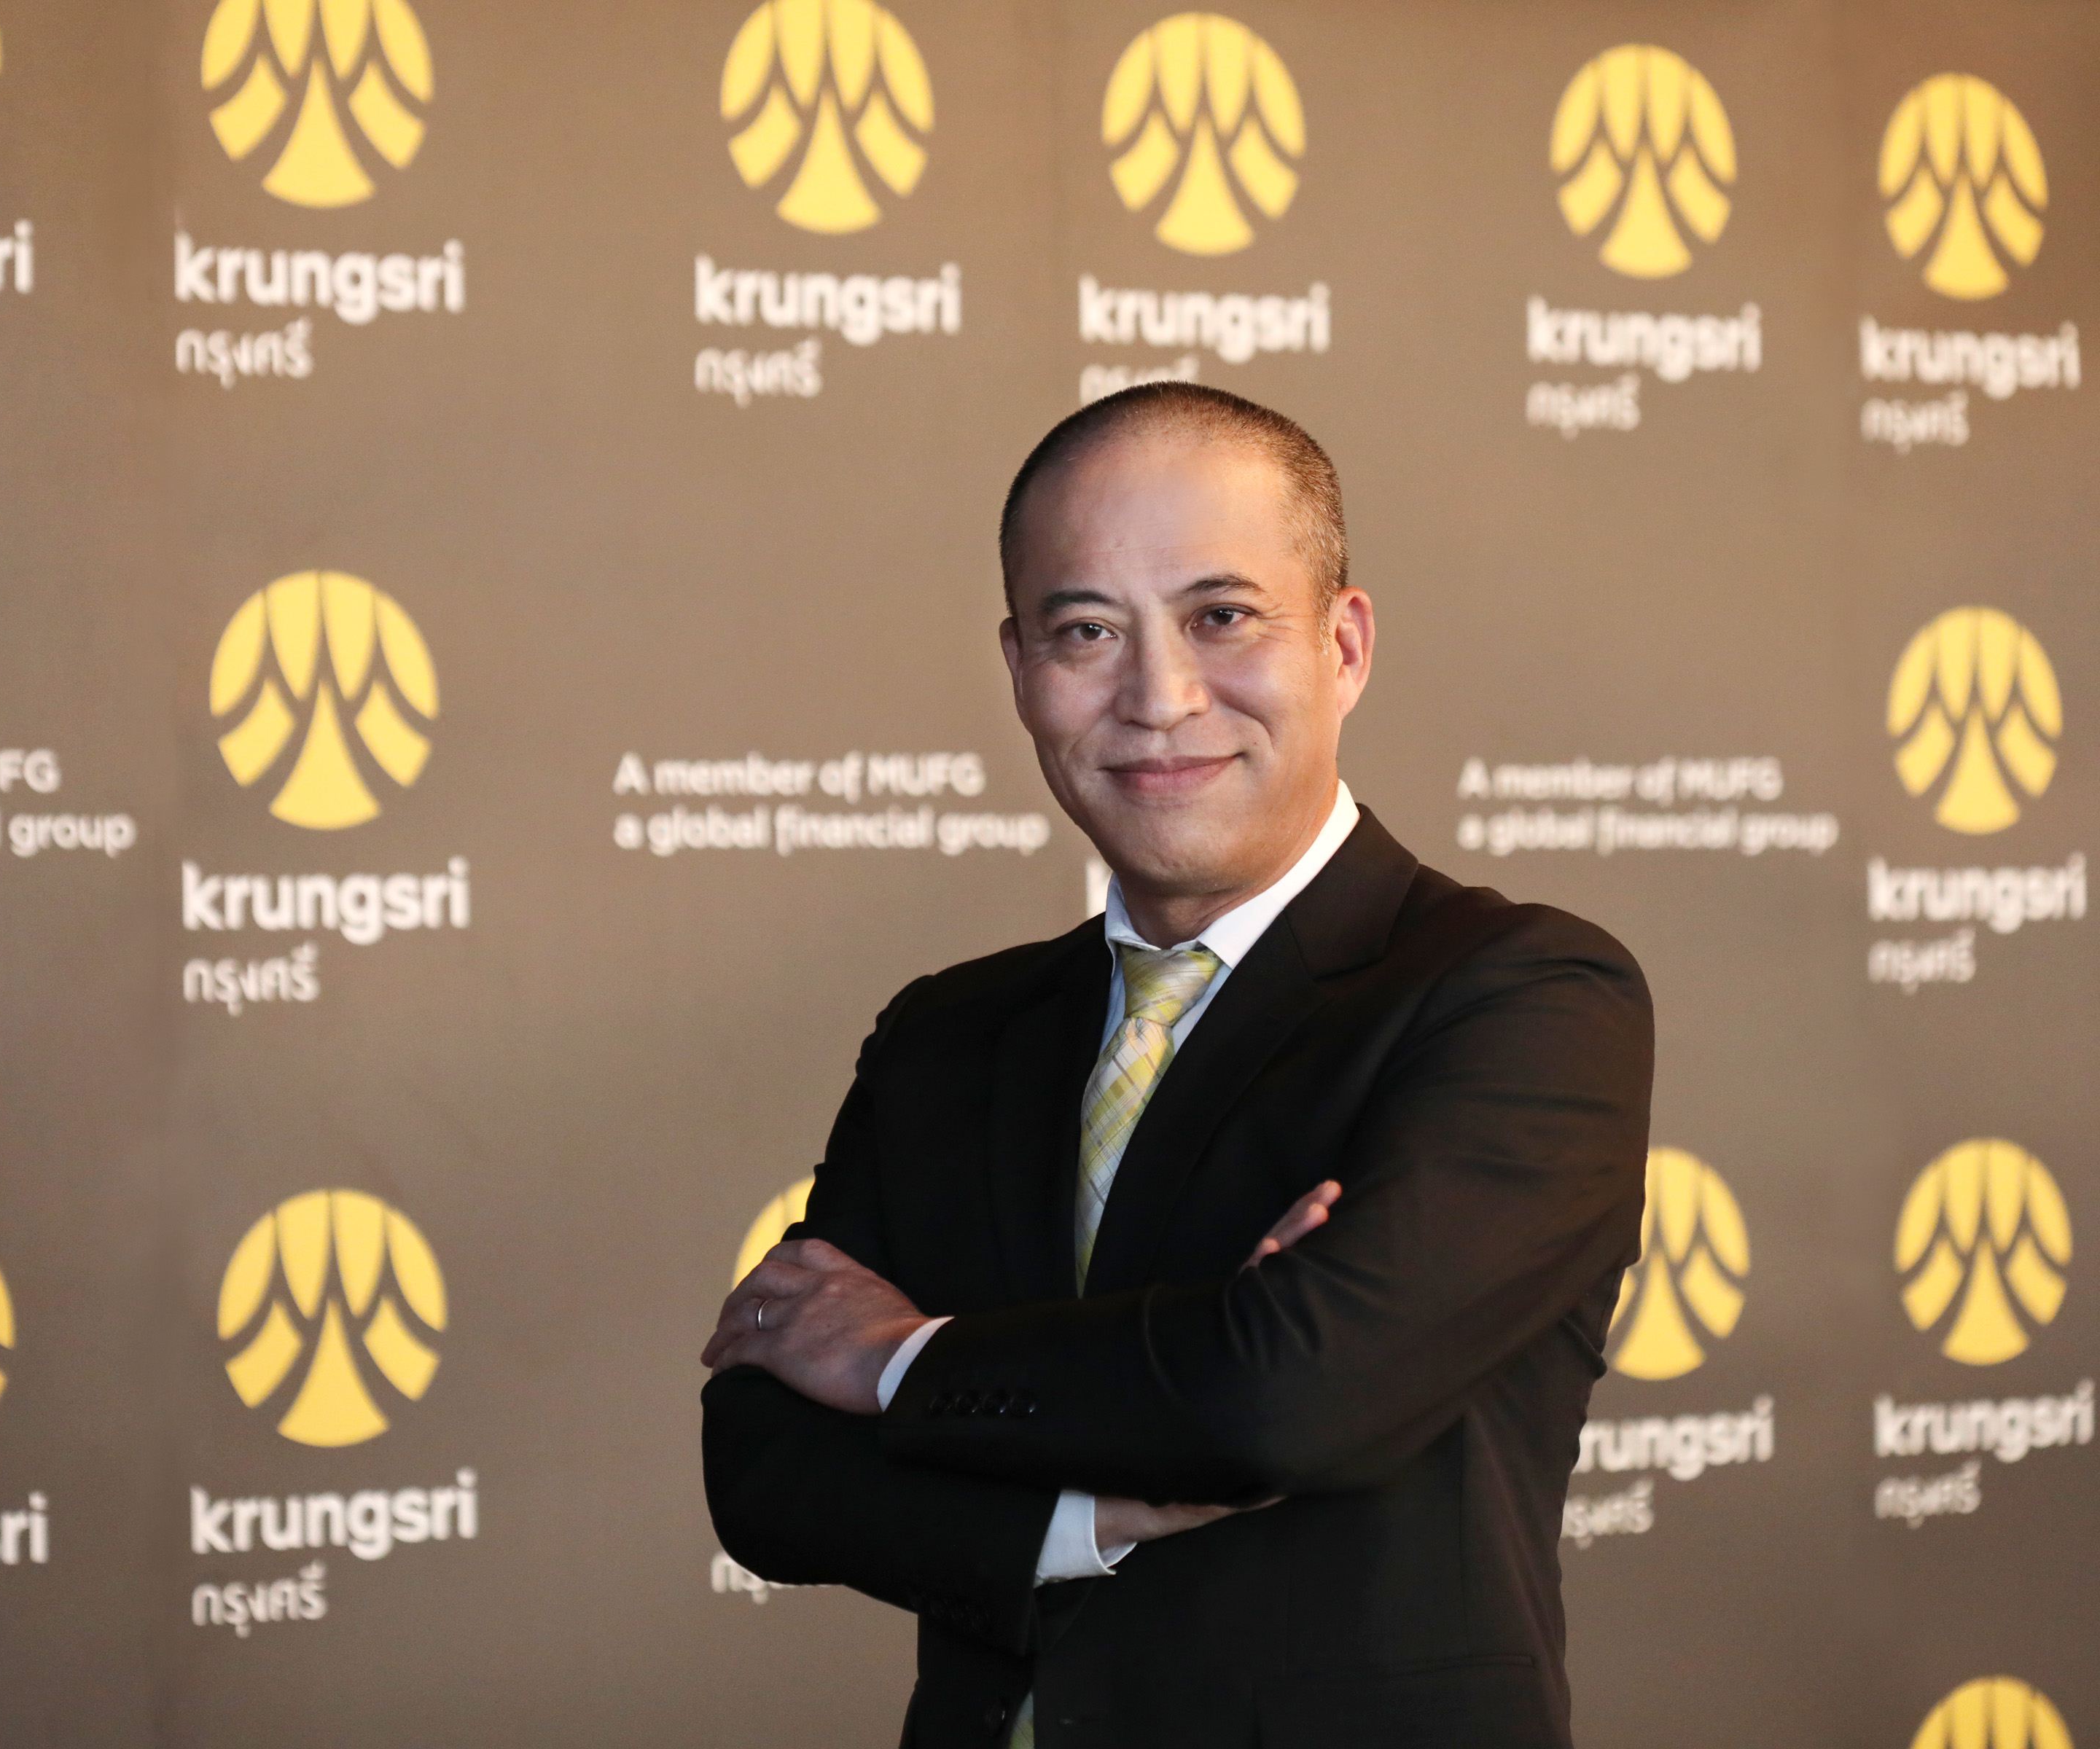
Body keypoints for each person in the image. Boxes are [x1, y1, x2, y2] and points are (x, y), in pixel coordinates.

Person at [700, 383, 1652, 1748]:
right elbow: (768, 1472)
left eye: (1222, 617)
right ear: (1021, 668)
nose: (1160, 698)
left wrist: (901, 1360)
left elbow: (1284, 1397)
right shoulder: (947, 1034)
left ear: (1343, 645)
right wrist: (1089, 1515)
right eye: (1086, 631)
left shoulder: (1518, 995)